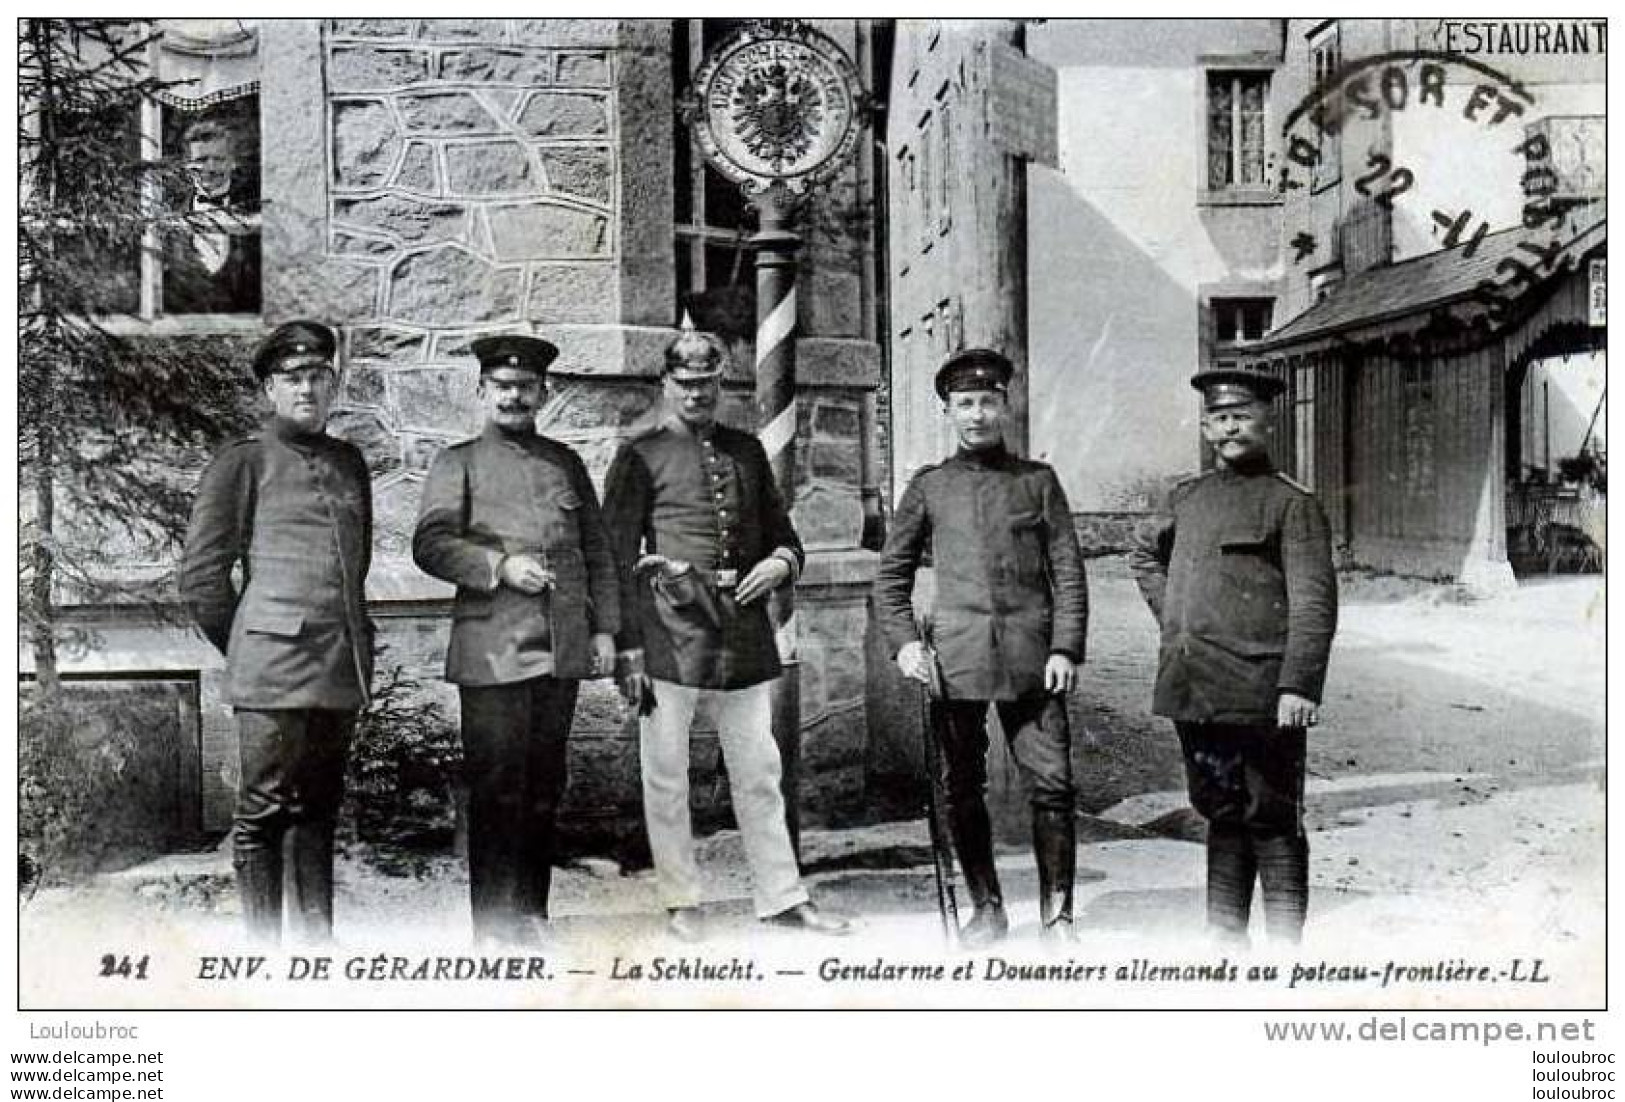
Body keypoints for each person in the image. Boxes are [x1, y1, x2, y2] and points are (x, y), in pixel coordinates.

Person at [602, 322, 851, 942]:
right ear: (667, 384)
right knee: (665, 774)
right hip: (667, 635)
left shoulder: (745, 451)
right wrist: (626, 647)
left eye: (708, 383)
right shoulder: (640, 454)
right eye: (685, 384)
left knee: (759, 770)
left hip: (740, 634)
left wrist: (779, 564)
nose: (697, 395)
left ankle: (782, 896)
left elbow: (784, 538)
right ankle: (682, 898)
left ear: (722, 384)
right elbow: (612, 559)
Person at [871, 347, 1089, 946]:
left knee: (1053, 785)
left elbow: (1068, 570)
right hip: (955, 661)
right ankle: (987, 908)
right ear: (948, 411)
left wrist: (1066, 647)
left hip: (1032, 658)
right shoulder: (930, 487)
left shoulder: (1038, 482)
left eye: (987, 403)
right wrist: (904, 646)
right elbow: (890, 576)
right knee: (959, 786)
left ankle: (1057, 918)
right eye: (964, 404)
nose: (977, 415)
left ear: (1005, 406)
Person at [412, 335, 620, 947]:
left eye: (524, 388)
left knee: (543, 785)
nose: (513, 396)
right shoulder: (459, 462)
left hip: (559, 648)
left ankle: (532, 914)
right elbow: (431, 544)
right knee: (499, 787)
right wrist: (500, 566)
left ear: (542, 394)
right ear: (481, 392)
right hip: (493, 652)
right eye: (501, 387)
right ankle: (493, 926)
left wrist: (605, 630)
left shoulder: (565, 462)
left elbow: (599, 554)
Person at [1128, 364, 1337, 946]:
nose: (1229, 429)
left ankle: (1287, 950)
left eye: (1241, 416)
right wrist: (1174, 618)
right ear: (1204, 426)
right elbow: (1144, 555)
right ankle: (1225, 937)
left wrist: (1299, 684)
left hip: (1263, 690)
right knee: (1219, 810)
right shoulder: (1187, 497)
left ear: (1269, 420)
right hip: (1196, 686)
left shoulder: (1291, 504)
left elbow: (1315, 604)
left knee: (1271, 814)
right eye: (1218, 419)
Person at [180, 320, 373, 944]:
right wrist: (251, 644)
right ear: (270, 388)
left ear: (334, 383)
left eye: (320, 376)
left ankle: (317, 949)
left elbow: (357, 566)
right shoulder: (245, 462)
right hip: (271, 668)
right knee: (263, 812)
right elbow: (203, 579)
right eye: (293, 378)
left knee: (318, 811)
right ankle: (263, 957)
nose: (308, 389)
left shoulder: (349, 463)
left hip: (336, 666)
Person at [165, 117, 261, 314]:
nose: (210, 168)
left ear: (233, 162)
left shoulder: (257, 209)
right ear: (186, 165)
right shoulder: (169, 212)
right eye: (201, 160)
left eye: (219, 159)